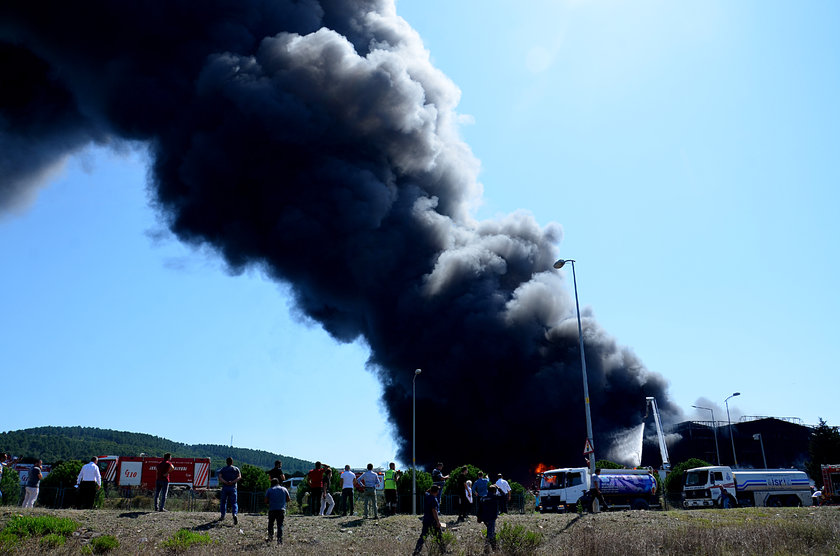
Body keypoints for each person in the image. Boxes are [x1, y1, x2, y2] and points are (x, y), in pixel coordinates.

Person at [413, 485, 444, 556]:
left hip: (426, 519)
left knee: (423, 536)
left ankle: (417, 551)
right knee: (439, 536)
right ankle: (443, 550)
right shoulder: (434, 499)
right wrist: (438, 521)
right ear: (436, 491)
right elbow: (434, 511)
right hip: (432, 520)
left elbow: (425, 492)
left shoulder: (427, 497)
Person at [264, 478, 291, 544]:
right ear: (278, 482)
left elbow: (266, 501)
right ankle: (279, 540)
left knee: (271, 524)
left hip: (272, 509)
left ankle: (270, 538)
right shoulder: (284, 489)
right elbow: (288, 499)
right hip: (281, 509)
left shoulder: (269, 490)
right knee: (280, 525)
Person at [479, 484, 504, 551]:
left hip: (484, 518)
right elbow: (503, 495)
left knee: (490, 532)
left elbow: (479, 509)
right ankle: (488, 549)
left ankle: (494, 548)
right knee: (490, 534)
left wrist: (479, 517)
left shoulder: (483, 498)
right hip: (492, 518)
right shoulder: (494, 497)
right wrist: (498, 487)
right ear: (494, 491)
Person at [218, 457, 242, 524]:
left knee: (223, 502)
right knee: (234, 502)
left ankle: (223, 515)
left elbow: (220, 477)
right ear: (232, 462)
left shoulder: (223, 469)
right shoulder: (236, 469)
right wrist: (233, 481)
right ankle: (234, 514)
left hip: (225, 487)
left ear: (226, 462)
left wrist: (225, 482)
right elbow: (239, 477)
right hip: (233, 487)